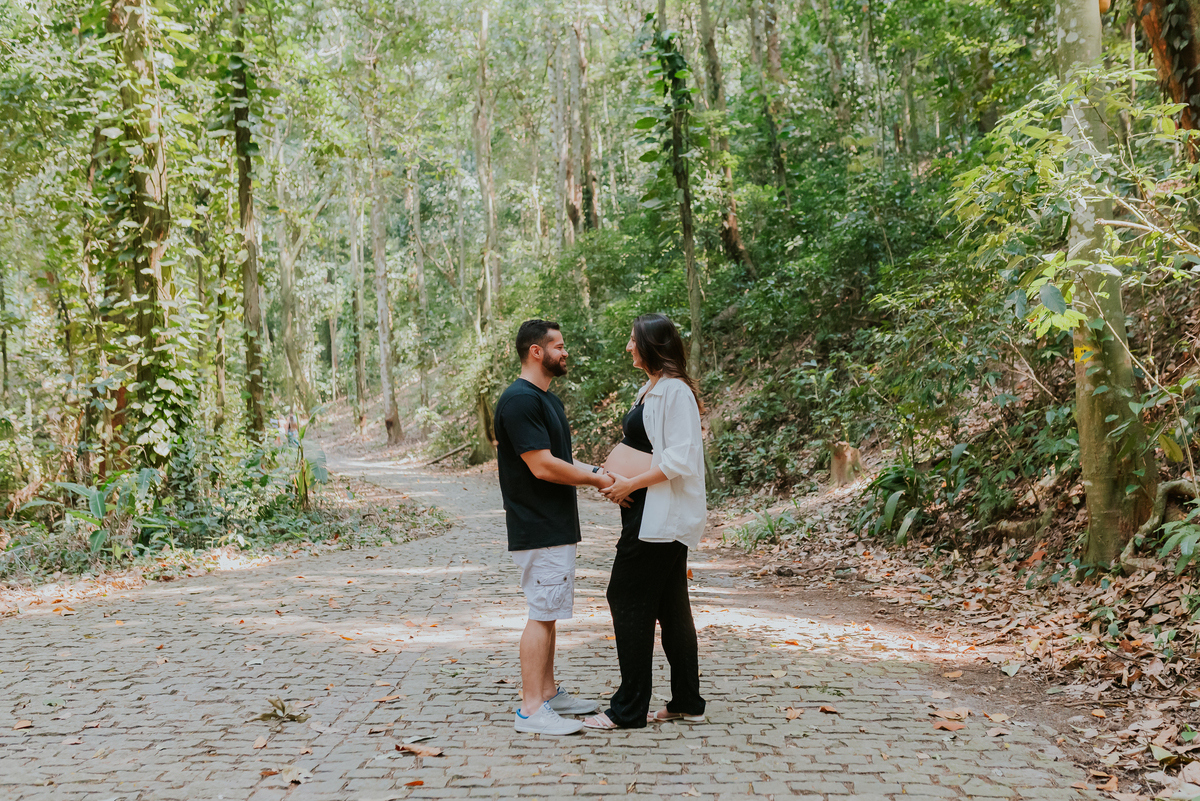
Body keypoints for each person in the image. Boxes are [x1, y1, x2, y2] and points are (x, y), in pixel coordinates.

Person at [583, 313, 707, 730]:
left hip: (660, 515)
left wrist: (629, 482)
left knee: (625, 597)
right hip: (643, 509)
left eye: (633, 340)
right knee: (671, 607)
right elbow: (644, 445)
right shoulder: (650, 388)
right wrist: (617, 476)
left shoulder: (675, 392)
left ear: (651, 344)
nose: (628, 347)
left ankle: (629, 708)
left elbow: (680, 458)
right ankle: (687, 699)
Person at [494, 319, 616, 736]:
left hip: (556, 525)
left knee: (550, 611)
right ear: (536, 351)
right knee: (541, 613)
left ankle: (548, 692)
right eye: (559, 346)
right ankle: (531, 710)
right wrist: (595, 479)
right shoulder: (518, 402)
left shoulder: (548, 401)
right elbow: (543, 467)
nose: (566, 353)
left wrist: (599, 470)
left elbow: (562, 457)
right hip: (537, 524)